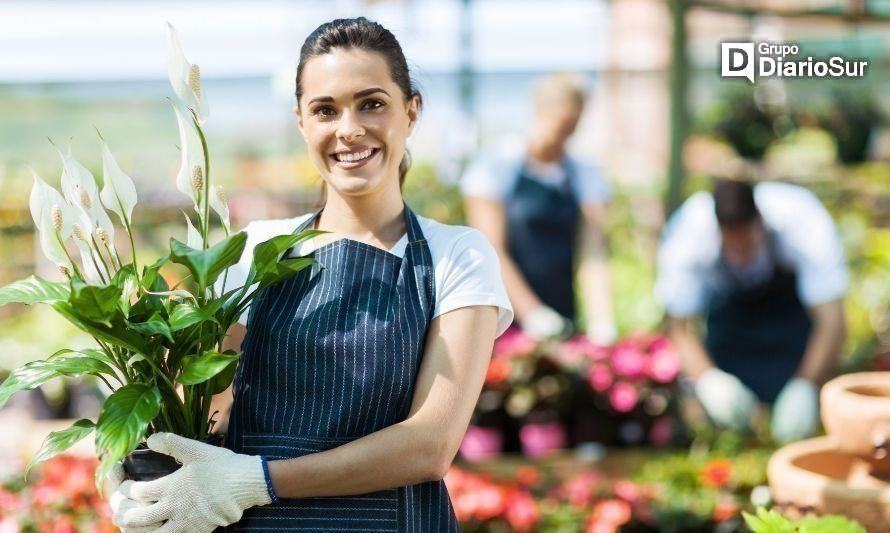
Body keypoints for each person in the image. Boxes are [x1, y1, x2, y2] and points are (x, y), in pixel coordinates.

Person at [109, 17, 513, 532]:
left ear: (411, 111)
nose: (349, 129)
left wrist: (257, 481)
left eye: (372, 103)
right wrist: (126, 463)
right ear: (302, 122)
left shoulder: (456, 255)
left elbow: (429, 445)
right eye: (326, 110)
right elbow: (202, 407)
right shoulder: (253, 249)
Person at [656, 178, 847, 443]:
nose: (740, 250)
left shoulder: (803, 221)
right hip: (730, 338)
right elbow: (678, 327)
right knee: (724, 430)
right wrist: (708, 379)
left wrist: (806, 384)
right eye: (731, 242)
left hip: (791, 337)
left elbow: (832, 321)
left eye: (746, 241)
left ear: (760, 222)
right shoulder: (688, 233)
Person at [461, 72, 616, 344]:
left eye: (572, 127)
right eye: (561, 125)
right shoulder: (497, 165)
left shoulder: (583, 174)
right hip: (504, 320)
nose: (563, 136)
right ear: (540, 111)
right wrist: (532, 313)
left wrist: (601, 319)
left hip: (562, 313)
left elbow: (593, 252)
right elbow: (489, 250)